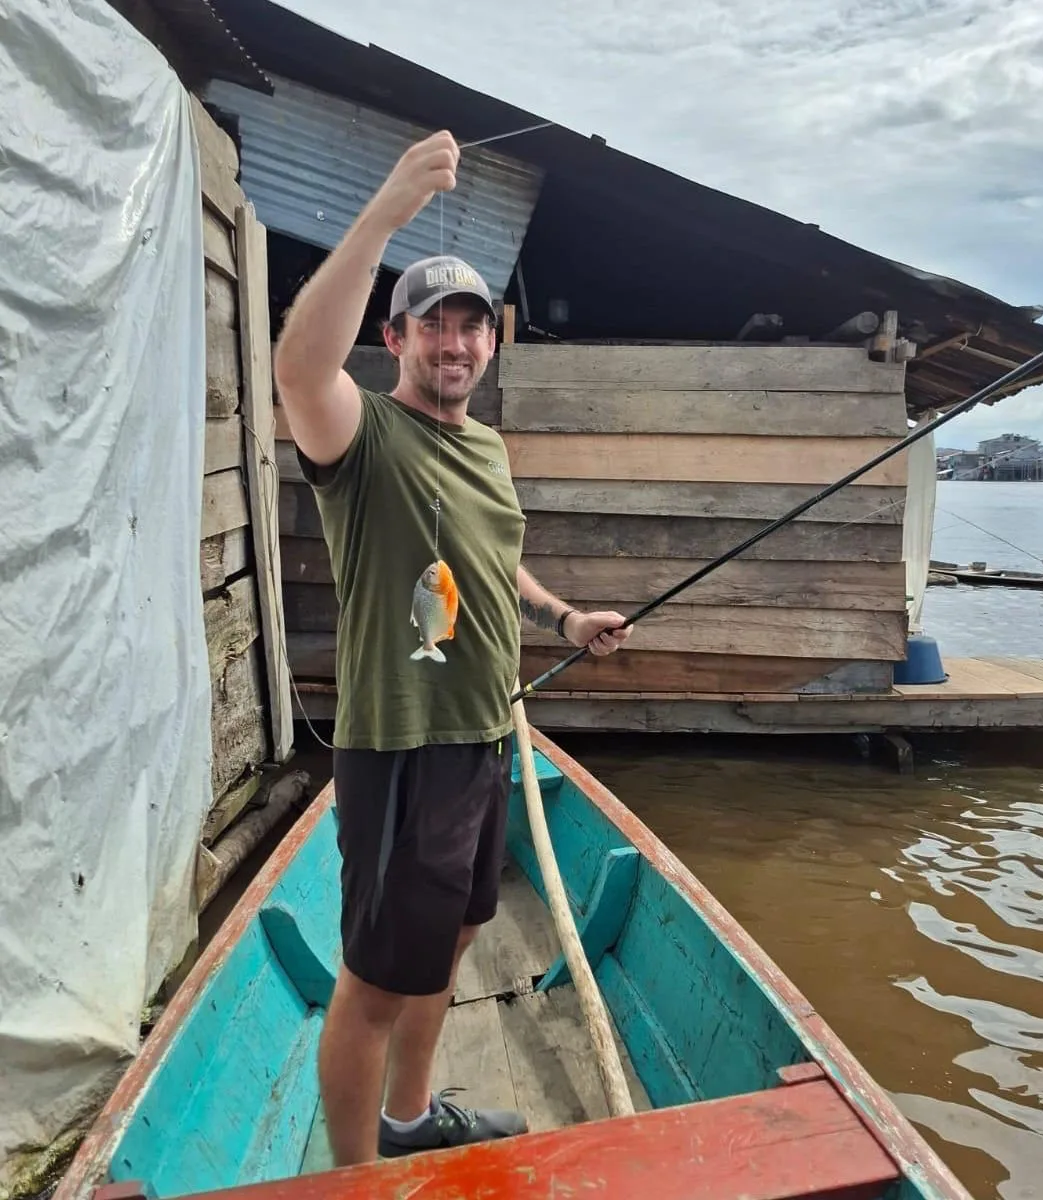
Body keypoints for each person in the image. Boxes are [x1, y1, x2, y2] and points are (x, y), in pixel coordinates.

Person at [272, 129, 633, 1168]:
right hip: (403, 749)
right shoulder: (364, 439)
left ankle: (411, 1115)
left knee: (461, 934)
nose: (456, 346)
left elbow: (487, 561)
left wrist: (562, 618)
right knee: (376, 982)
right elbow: (299, 365)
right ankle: (354, 1180)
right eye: (435, 326)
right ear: (398, 338)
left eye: (472, 328)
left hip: (484, 734)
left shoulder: (485, 445)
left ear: (491, 343)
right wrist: (386, 209)